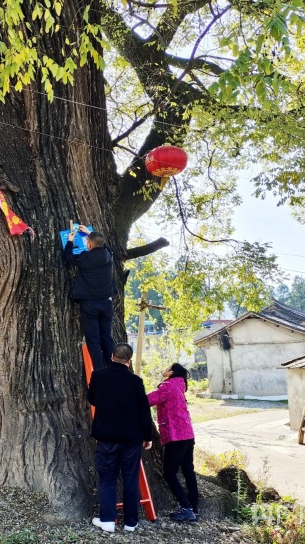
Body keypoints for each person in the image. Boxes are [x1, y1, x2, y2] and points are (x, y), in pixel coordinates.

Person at [87, 343, 153, 533]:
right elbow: (144, 411)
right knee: (130, 479)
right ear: (129, 361)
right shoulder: (136, 381)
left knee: (107, 479)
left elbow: (92, 399)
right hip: (131, 439)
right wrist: (147, 436)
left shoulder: (98, 376)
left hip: (106, 437)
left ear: (112, 357)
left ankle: (108, 520)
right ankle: (131, 522)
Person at [147, 363, 199, 521]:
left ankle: (186, 507)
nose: (165, 369)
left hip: (176, 435)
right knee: (188, 471)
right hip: (187, 434)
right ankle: (194, 507)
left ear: (171, 372)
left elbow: (148, 400)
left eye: (167, 368)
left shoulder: (168, 386)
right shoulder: (180, 385)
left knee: (169, 473)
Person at [64, 225, 115, 369]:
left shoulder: (85, 257)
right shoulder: (108, 255)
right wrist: (90, 233)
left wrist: (70, 242)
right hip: (107, 303)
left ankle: (100, 371)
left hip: (90, 304)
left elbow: (68, 257)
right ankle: (113, 368)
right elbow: (106, 246)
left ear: (89, 245)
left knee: (93, 340)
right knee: (107, 338)